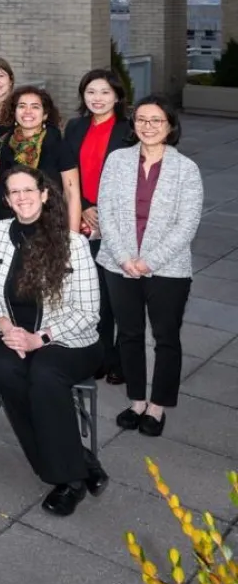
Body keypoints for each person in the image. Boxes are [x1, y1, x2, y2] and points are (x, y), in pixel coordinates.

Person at [0, 166, 108, 517]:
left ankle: (69, 480)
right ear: (6, 200)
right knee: (4, 370)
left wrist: (41, 339)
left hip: (67, 337)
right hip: (10, 329)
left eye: (28, 190)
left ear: (45, 194)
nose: (22, 198)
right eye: (14, 192)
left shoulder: (73, 244)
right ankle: (78, 460)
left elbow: (88, 311)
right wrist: (6, 327)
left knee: (45, 376)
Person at [97, 96, 203, 438]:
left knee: (165, 337)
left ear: (170, 126)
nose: (148, 126)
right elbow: (106, 211)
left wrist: (149, 261)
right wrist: (125, 257)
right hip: (118, 263)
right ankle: (137, 400)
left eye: (156, 120)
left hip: (168, 269)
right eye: (141, 119)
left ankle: (157, 405)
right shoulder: (117, 161)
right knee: (128, 335)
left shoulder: (185, 169)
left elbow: (187, 225)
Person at [62, 69, 133, 385]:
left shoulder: (129, 130)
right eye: (91, 92)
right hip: (84, 219)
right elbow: (69, 174)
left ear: (117, 96)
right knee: (95, 292)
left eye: (104, 92)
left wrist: (103, 208)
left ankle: (121, 359)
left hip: (119, 221)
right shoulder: (75, 127)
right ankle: (100, 356)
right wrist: (86, 206)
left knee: (120, 295)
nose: (97, 98)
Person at [0, 86, 82, 230]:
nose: (28, 112)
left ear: (44, 115)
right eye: (22, 106)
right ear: (15, 112)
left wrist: (73, 237)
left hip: (48, 227)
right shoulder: (3, 143)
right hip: (7, 225)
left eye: (35, 107)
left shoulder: (57, 144)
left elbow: (72, 194)